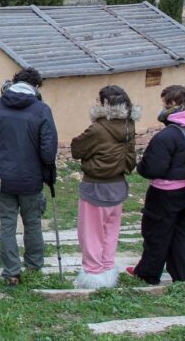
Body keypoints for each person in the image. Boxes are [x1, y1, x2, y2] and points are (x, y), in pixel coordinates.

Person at [0, 67, 58, 286]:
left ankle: (11, 272)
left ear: (14, 82)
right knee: (33, 223)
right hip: (31, 178)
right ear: (36, 86)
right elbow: (48, 152)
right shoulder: (41, 110)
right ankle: (34, 265)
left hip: (3, 177)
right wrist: (48, 171)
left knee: (7, 225)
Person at [129, 85, 185, 285]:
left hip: (164, 193)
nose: (162, 108)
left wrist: (140, 165)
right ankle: (183, 278)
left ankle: (148, 274)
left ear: (174, 104)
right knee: (181, 233)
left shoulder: (168, 135)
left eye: (165, 104)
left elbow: (152, 169)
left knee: (156, 233)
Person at [70, 86, 139, 289]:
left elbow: (76, 149)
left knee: (91, 233)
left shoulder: (98, 129)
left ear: (105, 104)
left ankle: (93, 274)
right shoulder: (129, 125)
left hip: (96, 186)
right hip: (118, 185)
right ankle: (107, 269)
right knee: (110, 231)